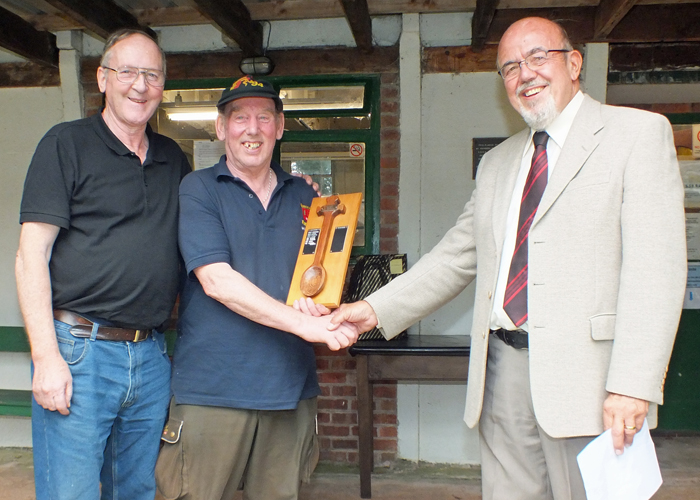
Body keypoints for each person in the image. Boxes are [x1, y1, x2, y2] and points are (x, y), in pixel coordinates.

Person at [330, 16, 686, 499]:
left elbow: (656, 271)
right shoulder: (497, 163)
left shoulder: (637, 134)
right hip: (502, 371)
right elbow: (455, 256)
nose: (526, 74)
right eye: (510, 67)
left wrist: (633, 384)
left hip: (592, 378)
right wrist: (371, 310)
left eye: (539, 57)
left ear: (574, 63)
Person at [155, 75, 360, 500]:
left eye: (264, 117)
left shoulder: (307, 197)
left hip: (289, 388)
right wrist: (308, 329)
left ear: (280, 127)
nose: (253, 128)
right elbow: (217, 281)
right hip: (212, 391)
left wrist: (320, 309)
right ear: (220, 128)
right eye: (240, 118)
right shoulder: (198, 189)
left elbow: (319, 278)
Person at [15, 30, 191, 500]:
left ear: (162, 85)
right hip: (79, 352)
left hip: (150, 356)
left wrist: (301, 207)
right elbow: (31, 254)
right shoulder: (65, 145)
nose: (140, 85)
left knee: (136, 491)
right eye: (127, 71)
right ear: (103, 79)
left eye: (151, 75)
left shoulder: (174, 158)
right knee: (70, 494)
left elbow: (211, 228)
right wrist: (45, 358)